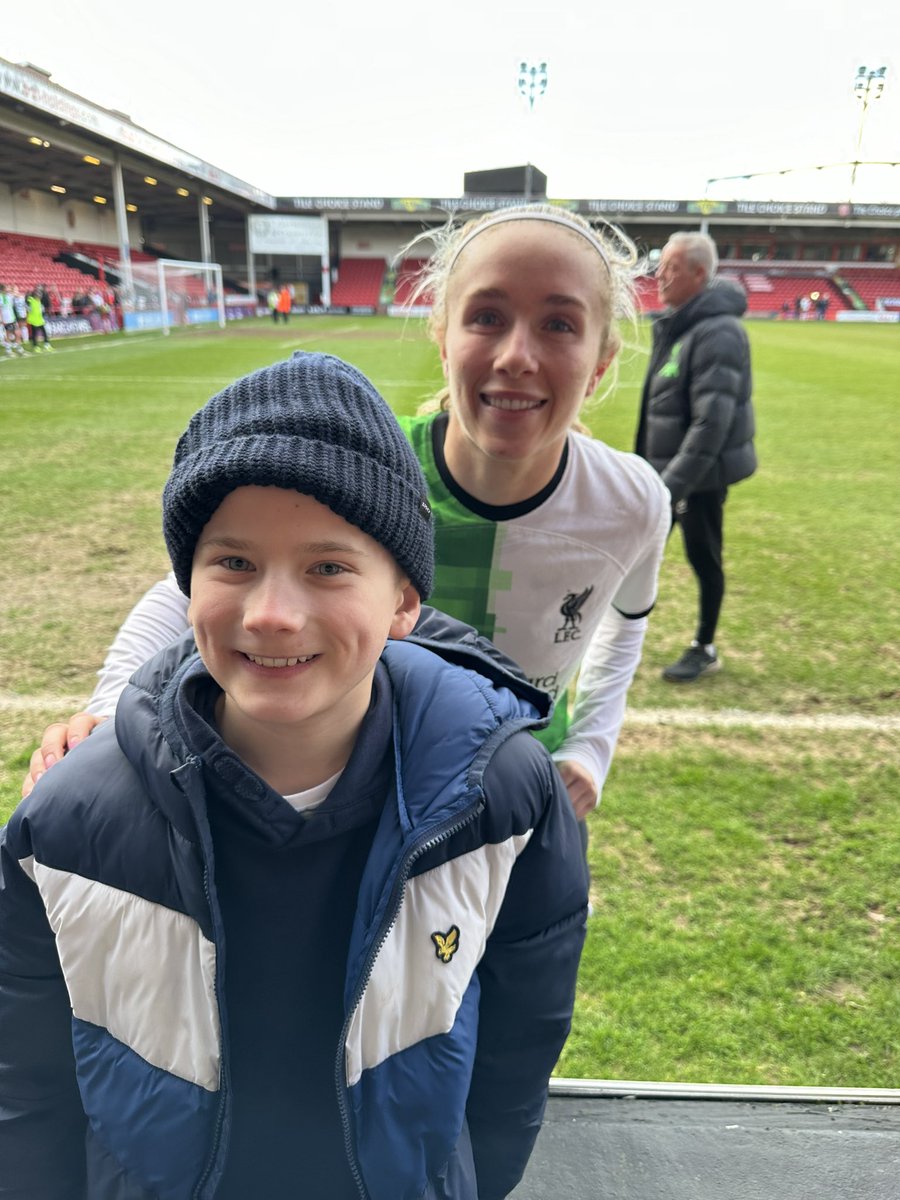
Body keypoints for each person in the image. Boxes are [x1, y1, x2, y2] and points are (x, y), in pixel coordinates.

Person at [0, 352, 588, 1199]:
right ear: (187, 581)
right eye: (233, 562)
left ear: (402, 602)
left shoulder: (506, 801)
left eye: (328, 567)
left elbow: (515, 1059)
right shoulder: (63, 828)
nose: (272, 613)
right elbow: (29, 1094)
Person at [23, 204, 671, 825]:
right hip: (361, 789)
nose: (515, 356)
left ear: (600, 363)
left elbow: (628, 620)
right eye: (487, 317)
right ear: (442, 337)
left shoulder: (633, 502)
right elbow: (191, 588)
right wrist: (109, 710)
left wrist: (591, 745)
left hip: (522, 784)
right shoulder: (361, 468)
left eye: (559, 324)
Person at [635, 231, 756, 682]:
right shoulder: (681, 325)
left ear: (699, 274)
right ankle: (617, 637)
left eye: (671, 267)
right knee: (637, 556)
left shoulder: (719, 332)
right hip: (667, 473)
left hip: (695, 477)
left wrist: (671, 489)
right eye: (660, 265)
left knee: (704, 558)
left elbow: (711, 423)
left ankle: (704, 647)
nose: (660, 275)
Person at [0, 284, 26, 356]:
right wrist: (1, 319)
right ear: (2, 289)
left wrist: (14, 292)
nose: (8, 289)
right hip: (6, 319)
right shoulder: (1, 297)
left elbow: (18, 295)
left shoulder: (9, 295)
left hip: (12, 318)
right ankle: (8, 350)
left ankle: (19, 348)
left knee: (17, 333)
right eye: (6, 288)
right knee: (8, 334)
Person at [25, 287, 53, 352]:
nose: (39, 296)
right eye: (38, 295)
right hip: (33, 320)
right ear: (35, 295)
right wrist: (28, 296)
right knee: (34, 334)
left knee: (45, 333)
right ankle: (35, 346)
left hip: (40, 320)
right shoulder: (31, 300)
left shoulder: (39, 301)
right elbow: (26, 302)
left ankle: (47, 345)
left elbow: (41, 310)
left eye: (40, 295)